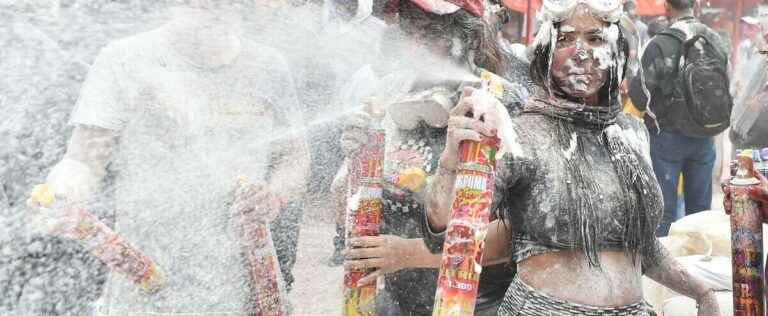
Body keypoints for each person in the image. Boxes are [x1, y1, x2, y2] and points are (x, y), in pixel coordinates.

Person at [422, 1, 721, 315]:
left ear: (616, 50)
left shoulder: (632, 132)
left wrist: (702, 292)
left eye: (594, 38)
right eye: (565, 39)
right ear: (545, 53)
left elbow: (640, 247)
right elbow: (448, 235)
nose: (581, 52)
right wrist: (450, 161)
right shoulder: (518, 134)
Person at [26, 1, 309, 314]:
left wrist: (275, 196)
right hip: (146, 282)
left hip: (243, 286)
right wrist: (65, 191)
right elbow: (83, 158)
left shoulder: (268, 64)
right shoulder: (123, 58)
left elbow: (294, 155)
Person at [337, 0, 531, 315]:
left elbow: (521, 232)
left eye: (432, 27)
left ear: (467, 34)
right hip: (397, 303)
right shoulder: (388, 93)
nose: (417, 41)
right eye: (409, 24)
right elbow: (342, 212)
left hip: (477, 305)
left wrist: (409, 253)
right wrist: (357, 164)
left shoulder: (502, 103)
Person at [628, 0, 730, 236]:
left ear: (666, 8)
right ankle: (697, 263)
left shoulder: (660, 44)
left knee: (663, 211)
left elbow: (639, 96)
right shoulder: (715, 40)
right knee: (700, 211)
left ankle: (662, 267)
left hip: (667, 139)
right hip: (705, 136)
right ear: (695, 6)